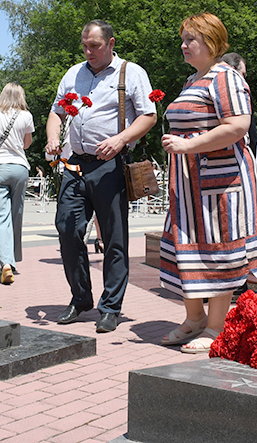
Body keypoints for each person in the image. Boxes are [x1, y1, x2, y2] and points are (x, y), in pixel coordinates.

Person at [45, 20, 156, 333]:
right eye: (85, 45)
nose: (88, 51)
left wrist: (120, 139)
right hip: (74, 164)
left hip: (111, 164)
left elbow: (149, 115)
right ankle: (81, 299)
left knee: (113, 238)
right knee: (67, 228)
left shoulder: (130, 72)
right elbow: (57, 111)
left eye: (94, 45)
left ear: (110, 43)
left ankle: (110, 307)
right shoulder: (73, 73)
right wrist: (53, 137)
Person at [160, 12, 257, 353]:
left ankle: (215, 326)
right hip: (189, 185)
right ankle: (194, 319)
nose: (184, 45)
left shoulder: (225, 77)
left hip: (220, 183)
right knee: (184, 244)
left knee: (220, 250)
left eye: (191, 39)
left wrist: (188, 144)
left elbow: (238, 125)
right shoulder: (193, 80)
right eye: (184, 38)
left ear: (211, 42)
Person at [0, 82, 35, 285]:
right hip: (19, 167)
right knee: (16, 214)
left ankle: (5, 262)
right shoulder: (26, 116)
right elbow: (26, 143)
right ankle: (13, 259)